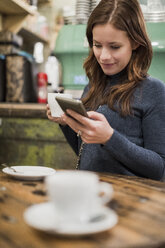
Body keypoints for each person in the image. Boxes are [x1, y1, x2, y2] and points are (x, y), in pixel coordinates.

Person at [47, 0, 165, 181]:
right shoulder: (93, 86)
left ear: (135, 43)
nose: (104, 56)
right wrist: (66, 123)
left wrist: (109, 138)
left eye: (114, 47)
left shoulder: (154, 91)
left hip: (130, 203)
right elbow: (85, 150)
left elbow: (159, 169)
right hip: (90, 195)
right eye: (97, 45)